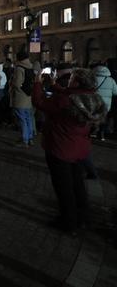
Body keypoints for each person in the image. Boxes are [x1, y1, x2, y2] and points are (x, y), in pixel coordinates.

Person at [32, 68, 106, 234]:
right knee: (78, 184)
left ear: (77, 82)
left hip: (60, 148)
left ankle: (69, 223)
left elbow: (39, 102)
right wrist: (54, 85)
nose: (69, 80)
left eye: (71, 78)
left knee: (63, 187)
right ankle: (83, 218)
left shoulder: (65, 101)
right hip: (80, 149)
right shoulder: (91, 97)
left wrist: (37, 82)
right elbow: (72, 94)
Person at [10, 51, 35, 147]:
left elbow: (17, 83)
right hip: (28, 96)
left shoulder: (19, 68)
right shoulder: (30, 67)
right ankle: (30, 137)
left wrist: (12, 83)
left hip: (20, 97)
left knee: (22, 118)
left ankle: (24, 140)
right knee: (28, 118)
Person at [93, 64, 117, 141]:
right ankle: (101, 134)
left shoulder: (93, 79)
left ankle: (93, 132)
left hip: (94, 102)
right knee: (103, 118)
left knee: (93, 117)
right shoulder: (111, 80)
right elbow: (115, 92)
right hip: (106, 104)